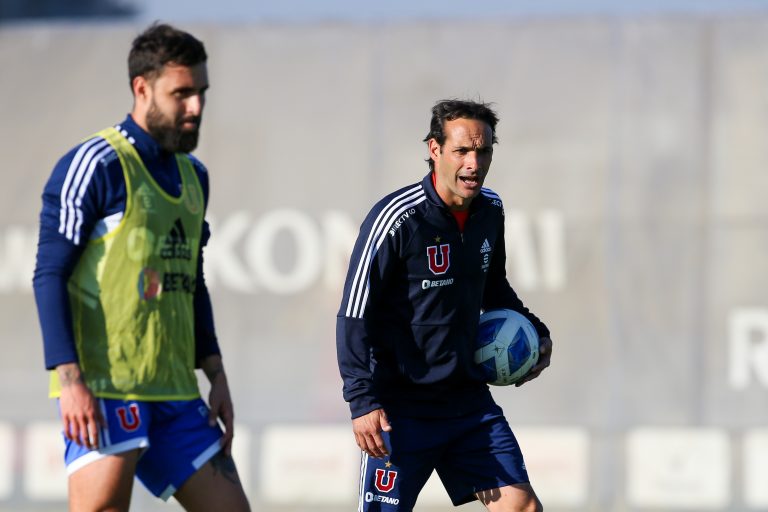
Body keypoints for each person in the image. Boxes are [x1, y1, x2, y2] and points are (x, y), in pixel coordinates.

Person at [32, 23, 251, 511]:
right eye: (183, 94)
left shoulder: (195, 177)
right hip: (107, 389)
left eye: (202, 93)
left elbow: (192, 280)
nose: (196, 107)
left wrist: (215, 373)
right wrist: (70, 382)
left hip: (175, 391)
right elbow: (49, 275)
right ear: (142, 88)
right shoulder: (96, 164)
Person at [336, 99, 553, 512]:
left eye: (483, 151)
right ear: (435, 149)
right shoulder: (396, 218)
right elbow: (353, 313)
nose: (474, 163)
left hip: (467, 403)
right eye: (462, 151)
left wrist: (536, 331)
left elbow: (494, 288)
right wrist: (361, 400)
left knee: (522, 507)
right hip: (399, 411)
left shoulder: (490, 209)